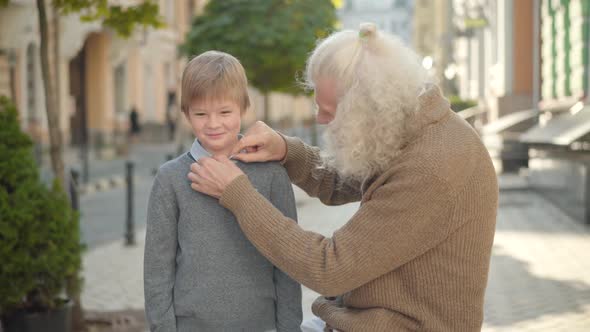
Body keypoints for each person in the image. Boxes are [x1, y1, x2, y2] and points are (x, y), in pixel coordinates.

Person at [187, 23, 499, 331]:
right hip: (366, 317)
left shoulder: (431, 167)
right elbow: (342, 181)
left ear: (365, 111)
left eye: (329, 110)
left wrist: (238, 194)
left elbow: (329, 268)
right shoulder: (408, 124)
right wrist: (286, 150)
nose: (319, 118)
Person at [144, 50, 302, 332]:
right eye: (201, 113)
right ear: (186, 113)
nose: (213, 123)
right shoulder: (170, 179)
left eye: (225, 112)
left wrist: (289, 327)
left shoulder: (272, 174)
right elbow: (157, 267)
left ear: (243, 108)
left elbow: (287, 261)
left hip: (261, 325)